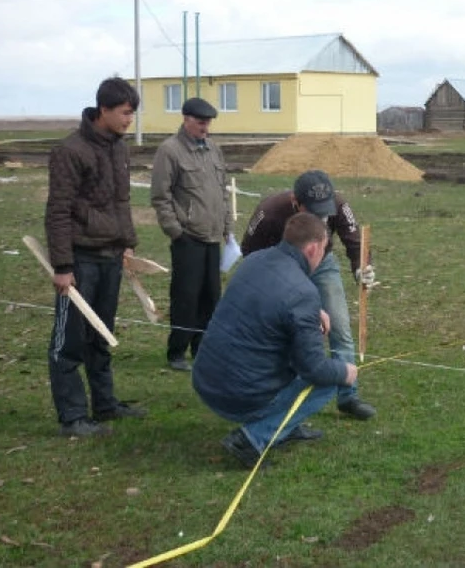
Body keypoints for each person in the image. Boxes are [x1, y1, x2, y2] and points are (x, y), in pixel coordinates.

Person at [192, 213, 358, 469]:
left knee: (294, 347)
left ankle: (285, 427)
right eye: (324, 249)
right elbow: (314, 368)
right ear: (313, 248)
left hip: (206, 379)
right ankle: (251, 438)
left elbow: (272, 306)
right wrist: (345, 372)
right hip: (236, 395)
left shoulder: (256, 259)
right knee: (328, 380)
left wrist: (313, 313)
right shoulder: (303, 293)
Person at [44, 77, 148, 437]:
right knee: (69, 340)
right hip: (80, 258)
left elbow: (121, 201)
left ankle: (104, 405)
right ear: (103, 110)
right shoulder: (69, 151)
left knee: (100, 334)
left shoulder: (119, 148)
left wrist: (127, 242)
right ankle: (72, 417)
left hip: (111, 255)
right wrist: (63, 266)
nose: (128, 120)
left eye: (132, 114)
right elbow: (57, 211)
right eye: (124, 113)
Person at [241, 170, 378, 420]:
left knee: (339, 326)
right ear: (296, 201)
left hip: (322, 264)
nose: (319, 218)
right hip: (282, 269)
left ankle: (348, 396)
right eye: (312, 211)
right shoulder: (270, 212)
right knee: (288, 332)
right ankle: (283, 396)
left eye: (323, 213)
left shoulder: (338, 205)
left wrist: (362, 267)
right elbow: (249, 251)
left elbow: (355, 240)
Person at [150, 97, 232, 372]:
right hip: (188, 238)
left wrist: (227, 229)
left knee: (211, 296)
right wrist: (175, 232)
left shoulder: (213, 150)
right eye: (200, 122)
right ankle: (177, 351)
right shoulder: (169, 151)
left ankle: (203, 350)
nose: (205, 128)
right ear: (186, 119)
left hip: (212, 238)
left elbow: (222, 193)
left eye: (208, 123)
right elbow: (161, 196)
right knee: (186, 296)